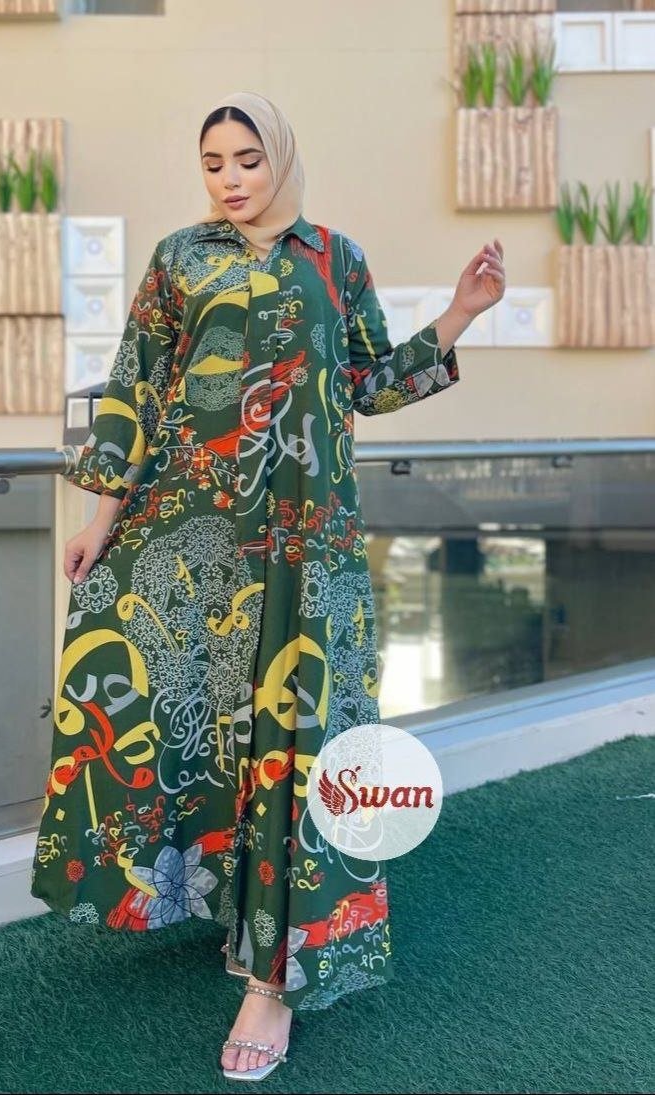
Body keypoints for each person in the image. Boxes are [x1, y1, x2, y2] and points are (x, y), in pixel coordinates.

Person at [30, 90, 506, 1082]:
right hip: (189, 536)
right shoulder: (179, 258)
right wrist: (99, 517)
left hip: (304, 541)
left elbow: (367, 383)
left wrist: (461, 312)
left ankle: (270, 982)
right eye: (213, 163)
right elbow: (135, 387)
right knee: (182, 714)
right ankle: (216, 902)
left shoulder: (335, 259)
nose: (230, 179)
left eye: (246, 158)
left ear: (279, 157)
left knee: (300, 740)